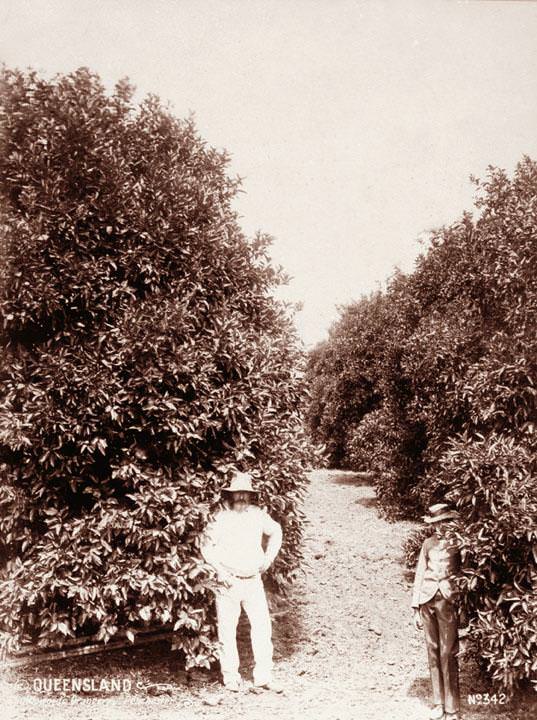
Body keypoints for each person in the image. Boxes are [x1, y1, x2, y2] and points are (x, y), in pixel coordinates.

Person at [201, 470, 283, 693]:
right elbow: (206, 546)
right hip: (228, 582)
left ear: (250, 495)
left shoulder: (257, 515)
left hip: (253, 581)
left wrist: (268, 559)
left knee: (262, 629)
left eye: (245, 494)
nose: (241, 498)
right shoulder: (219, 517)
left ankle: (264, 677)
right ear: (230, 495)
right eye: (237, 493)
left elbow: (276, 532)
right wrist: (220, 572)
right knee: (227, 630)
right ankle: (231, 678)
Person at [411, 503, 462, 720]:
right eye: (436, 524)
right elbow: (419, 573)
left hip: (448, 600)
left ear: (450, 522)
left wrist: (461, 604)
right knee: (432, 651)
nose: (440, 527)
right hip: (427, 600)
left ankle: (452, 707)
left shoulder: (458, 545)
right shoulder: (427, 544)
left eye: (444, 523)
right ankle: (438, 703)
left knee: (447, 652)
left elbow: (463, 575)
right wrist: (415, 607)